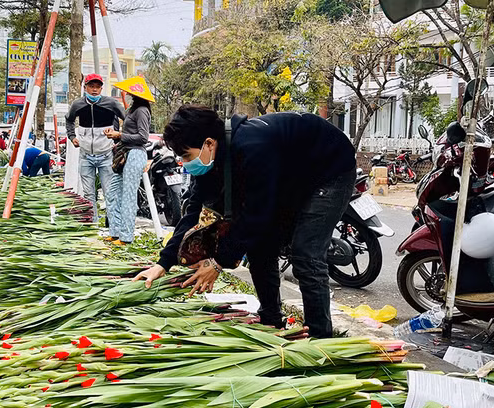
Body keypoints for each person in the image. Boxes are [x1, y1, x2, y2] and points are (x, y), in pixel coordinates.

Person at [135, 105, 356, 338]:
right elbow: (193, 212)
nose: (185, 162)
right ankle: (271, 320)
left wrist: (218, 262)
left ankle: (320, 338)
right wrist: (163, 263)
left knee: (306, 254)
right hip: (291, 178)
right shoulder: (212, 162)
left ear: (209, 143)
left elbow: (256, 215)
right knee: (260, 247)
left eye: (187, 155)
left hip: (330, 169)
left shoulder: (253, 147)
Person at [65, 73, 126, 224]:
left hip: (106, 156)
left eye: (98, 87)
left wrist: (119, 135)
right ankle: (92, 224)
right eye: (91, 86)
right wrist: (72, 137)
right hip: (85, 155)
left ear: (101, 89)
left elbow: (128, 118)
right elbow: (69, 120)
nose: (94, 90)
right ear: (85, 87)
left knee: (109, 193)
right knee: (88, 193)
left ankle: (112, 224)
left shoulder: (111, 103)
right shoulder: (77, 104)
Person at [105, 76, 153, 245]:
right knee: (112, 194)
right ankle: (115, 231)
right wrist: (117, 138)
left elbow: (143, 137)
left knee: (128, 196)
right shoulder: (132, 109)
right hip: (124, 154)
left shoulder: (141, 111)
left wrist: (120, 135)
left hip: (135, 155)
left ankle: (126, 237)